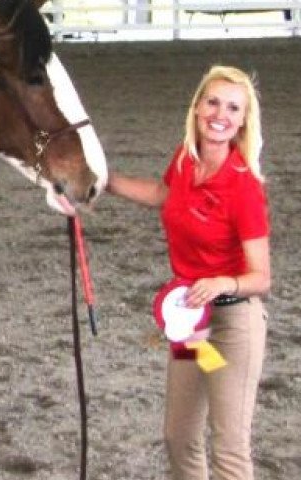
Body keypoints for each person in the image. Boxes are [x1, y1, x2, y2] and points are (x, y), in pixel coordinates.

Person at [106, 65, 271, 480]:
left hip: (231, 324)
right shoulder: (185, 160)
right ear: (197, 107)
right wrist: (105, 181)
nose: (221, 114)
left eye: (233, 107)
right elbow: (162, 195)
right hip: (190, 324)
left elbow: (261, 277)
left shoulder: (244, 188)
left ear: (242, 121)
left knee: (229, 443)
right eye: (213, 102)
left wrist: (222, 282)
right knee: (179, 437)